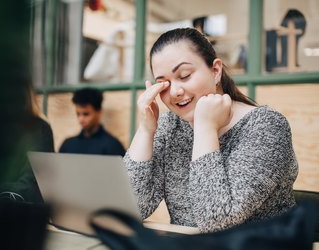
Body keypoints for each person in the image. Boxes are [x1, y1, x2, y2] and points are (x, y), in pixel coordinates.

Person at [124, 27, 298, 233]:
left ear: (215, 71)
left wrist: (205, 127)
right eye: (164, 83)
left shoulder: (266, 126)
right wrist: (146, 130)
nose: (175, 91)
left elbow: (215, 221)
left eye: (185, 75)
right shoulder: (171, 125)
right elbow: (129, 208)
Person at [59, 87, 125, 156]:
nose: (81, 119)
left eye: (86, 114)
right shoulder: (68, 145)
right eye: (78, 114)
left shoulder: (112, 146)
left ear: (99, 112)